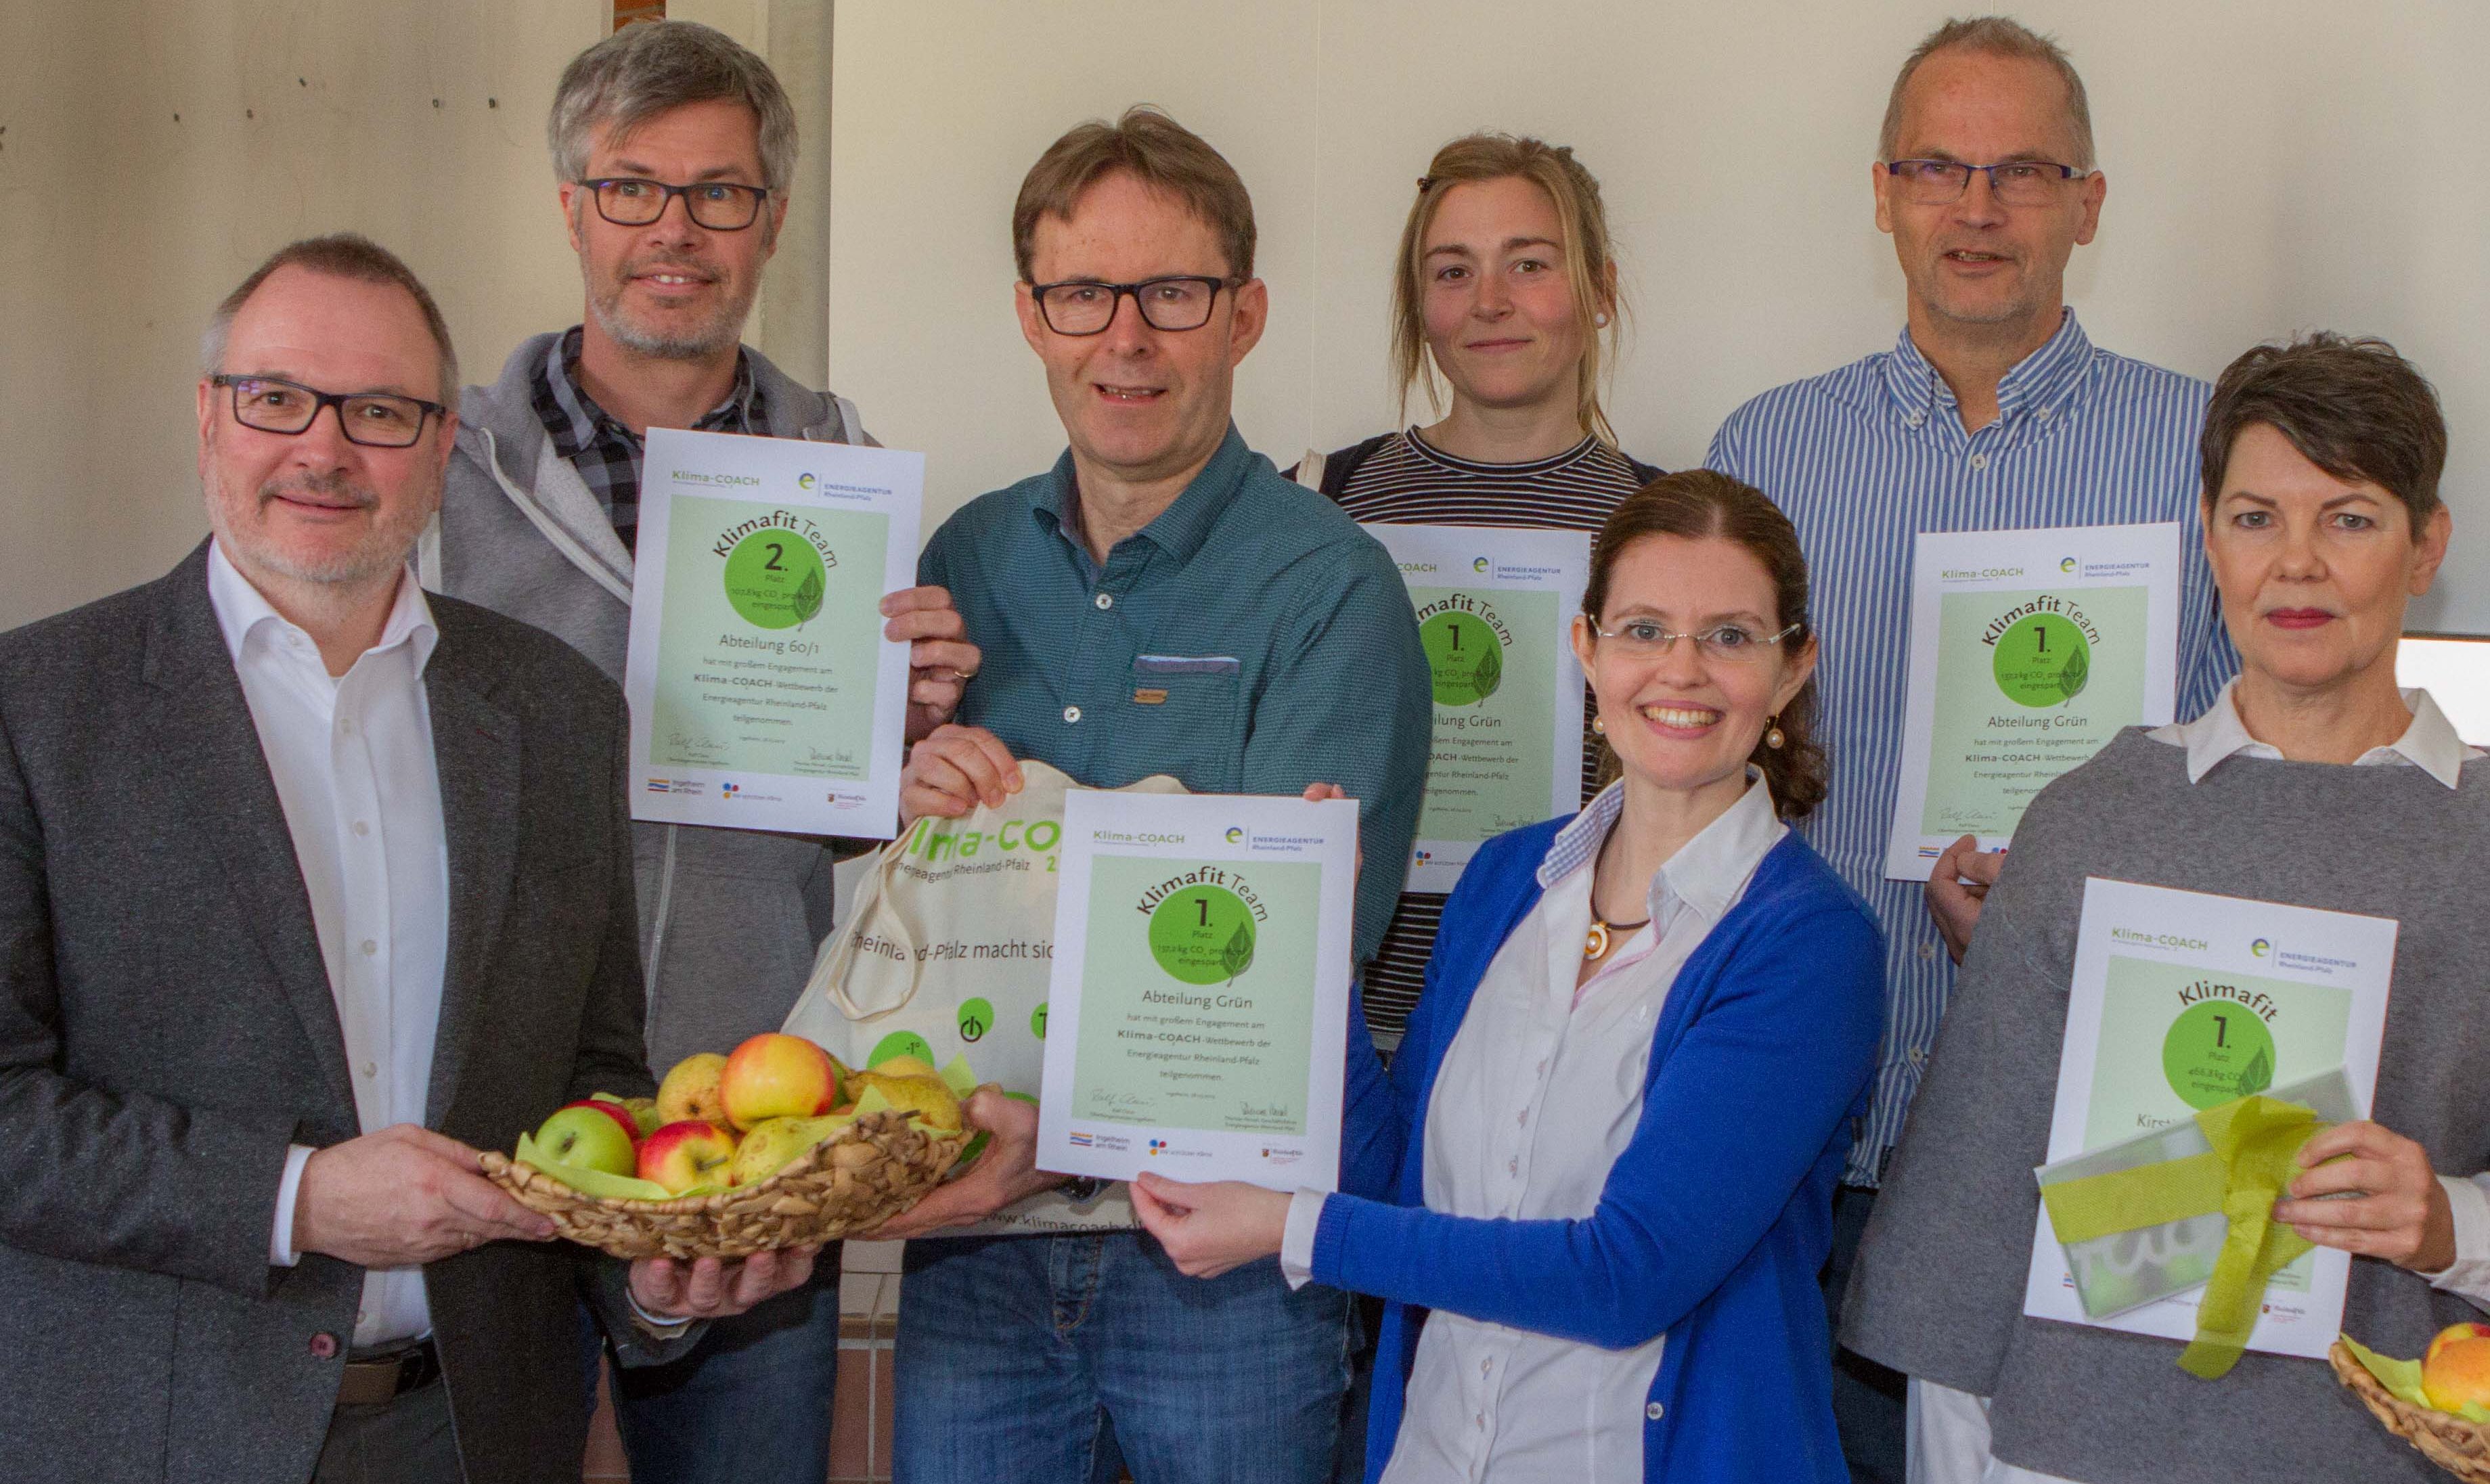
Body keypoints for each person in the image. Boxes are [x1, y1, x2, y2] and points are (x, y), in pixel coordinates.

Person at [0, 234, 809, 1484]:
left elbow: (590, 1080)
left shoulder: (558, 710)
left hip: (477, 1433)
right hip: (151, 1435)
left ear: (442, 447)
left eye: (379, 411)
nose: (322, 450)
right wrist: (296, 1197)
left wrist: (650, 1272)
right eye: (276, 398)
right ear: (209, 419)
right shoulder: (37, 706)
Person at [1843, 334, 2490, 1483]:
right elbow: (1972, 1204)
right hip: (2070, 1452)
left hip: (2382, 1452)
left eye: (2348, 518)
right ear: (2207, 534)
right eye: (2255, 518)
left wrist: (2443, 1217)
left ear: (2424, 544)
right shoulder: (2094, 819)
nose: (2297, 565)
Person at [427, 24, 978, 1481]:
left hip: (753, 1114)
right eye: (631, 189)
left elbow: (860, 842)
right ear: (570, 208)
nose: (674, 231)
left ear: (771, 221)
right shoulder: (441, 468)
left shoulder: (844, 472)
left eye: (719, 194)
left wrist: (903, 742)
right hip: (499, 1110)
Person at [1701, 20, 2241, 1470]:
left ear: (2088, 200)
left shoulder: (2209, 459)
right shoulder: (1763, 453)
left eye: (2021, 170)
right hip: (1812, 1125)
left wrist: (2063, 894)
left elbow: (2252, 787)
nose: (1978, 205)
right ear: (1879, 190)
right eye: (1939, 166)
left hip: (2106, 1146)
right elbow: (1700, 776)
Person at [866, 107, 1433, 1484]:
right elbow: (925, 916)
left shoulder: (1331, 585)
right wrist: (907, 783)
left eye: (1171, 293)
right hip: (976, 1263)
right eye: (1082, 293)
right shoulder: (965, 553)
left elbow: (1275, 973)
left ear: (1241, 314)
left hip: (1223, 1266)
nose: (1124, 337)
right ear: (1029, 314)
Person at [1136, 470, 1886, 1484]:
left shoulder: (1808, 942)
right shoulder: (1502, 881)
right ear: (1585, 648)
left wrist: (1289, 1227)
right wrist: (1314, 954)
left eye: (1730, 636)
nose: (1682, 669)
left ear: (1792, 669)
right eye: (1643, 629)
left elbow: (1628, 1273)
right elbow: (1397, 1181)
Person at [1297, 129, 1664, 1045]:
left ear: (1600, 291)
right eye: (1452, 271)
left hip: (1565, 1042)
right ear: (1417, 303)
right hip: (1348, 1032)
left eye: (1529, 264)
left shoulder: (1662, 524)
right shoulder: (1320, 501)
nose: (1490, 303)